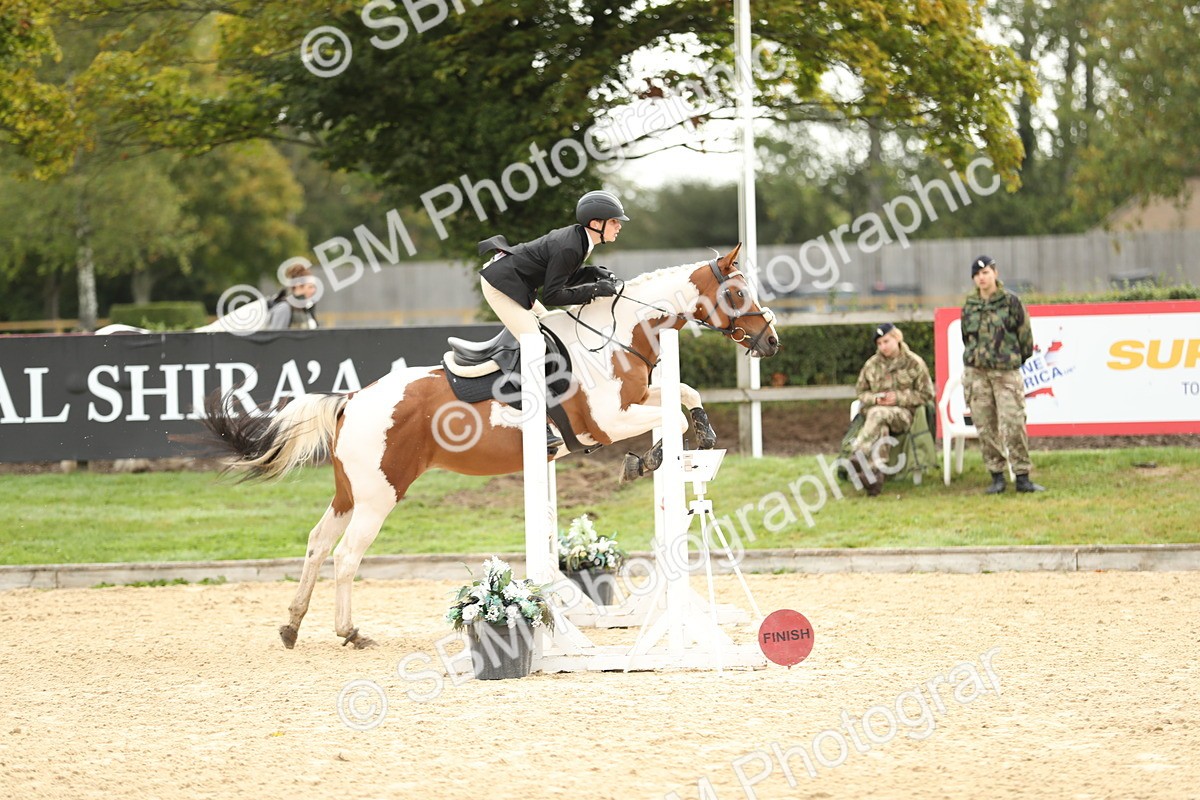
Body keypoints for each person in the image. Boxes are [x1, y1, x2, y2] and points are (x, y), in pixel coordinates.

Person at [477, 190, 628, 451]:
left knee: (554, 330)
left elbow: (562, 277)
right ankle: (533, 421)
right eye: (614, 221)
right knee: (535, 344)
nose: (619, 226)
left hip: (518, 284)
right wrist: (594, 290)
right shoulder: (571, 245)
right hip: (501, 285)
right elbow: (555, 294)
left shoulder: (580, 240)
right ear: (596, 224)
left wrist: (592, 273)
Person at [961, 254, 1045, 494]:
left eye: (985, 272)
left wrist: (1012, 359)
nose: (981, 278)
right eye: (977, 275)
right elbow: (966, 337)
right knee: (985, 426)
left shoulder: (1011, 302)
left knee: (1013, 421)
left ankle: (1022, 476)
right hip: (977, 374)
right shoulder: (970, 305)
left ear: (995, 273)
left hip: (1005, 372)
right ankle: (996, 476)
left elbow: (1025, 337)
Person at [849, 323, 935, 496]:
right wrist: (875, 398)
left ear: (897, 338)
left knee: (878, 413)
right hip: (877, 417)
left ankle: (859, 452)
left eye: (886, 341)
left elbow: (927, 394)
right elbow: (861, 392)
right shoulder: (872, 365)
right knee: (880, 424)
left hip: (905, 415)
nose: (883, 347)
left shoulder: (914, 363)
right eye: (879, 343)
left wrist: (899, 398)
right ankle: (875, 477)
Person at [265, 262, 320, 330]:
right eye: (310, 287)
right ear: (298, 285)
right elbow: (275, 338)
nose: (314, 290)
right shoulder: (284, 309)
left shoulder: (305, 311)